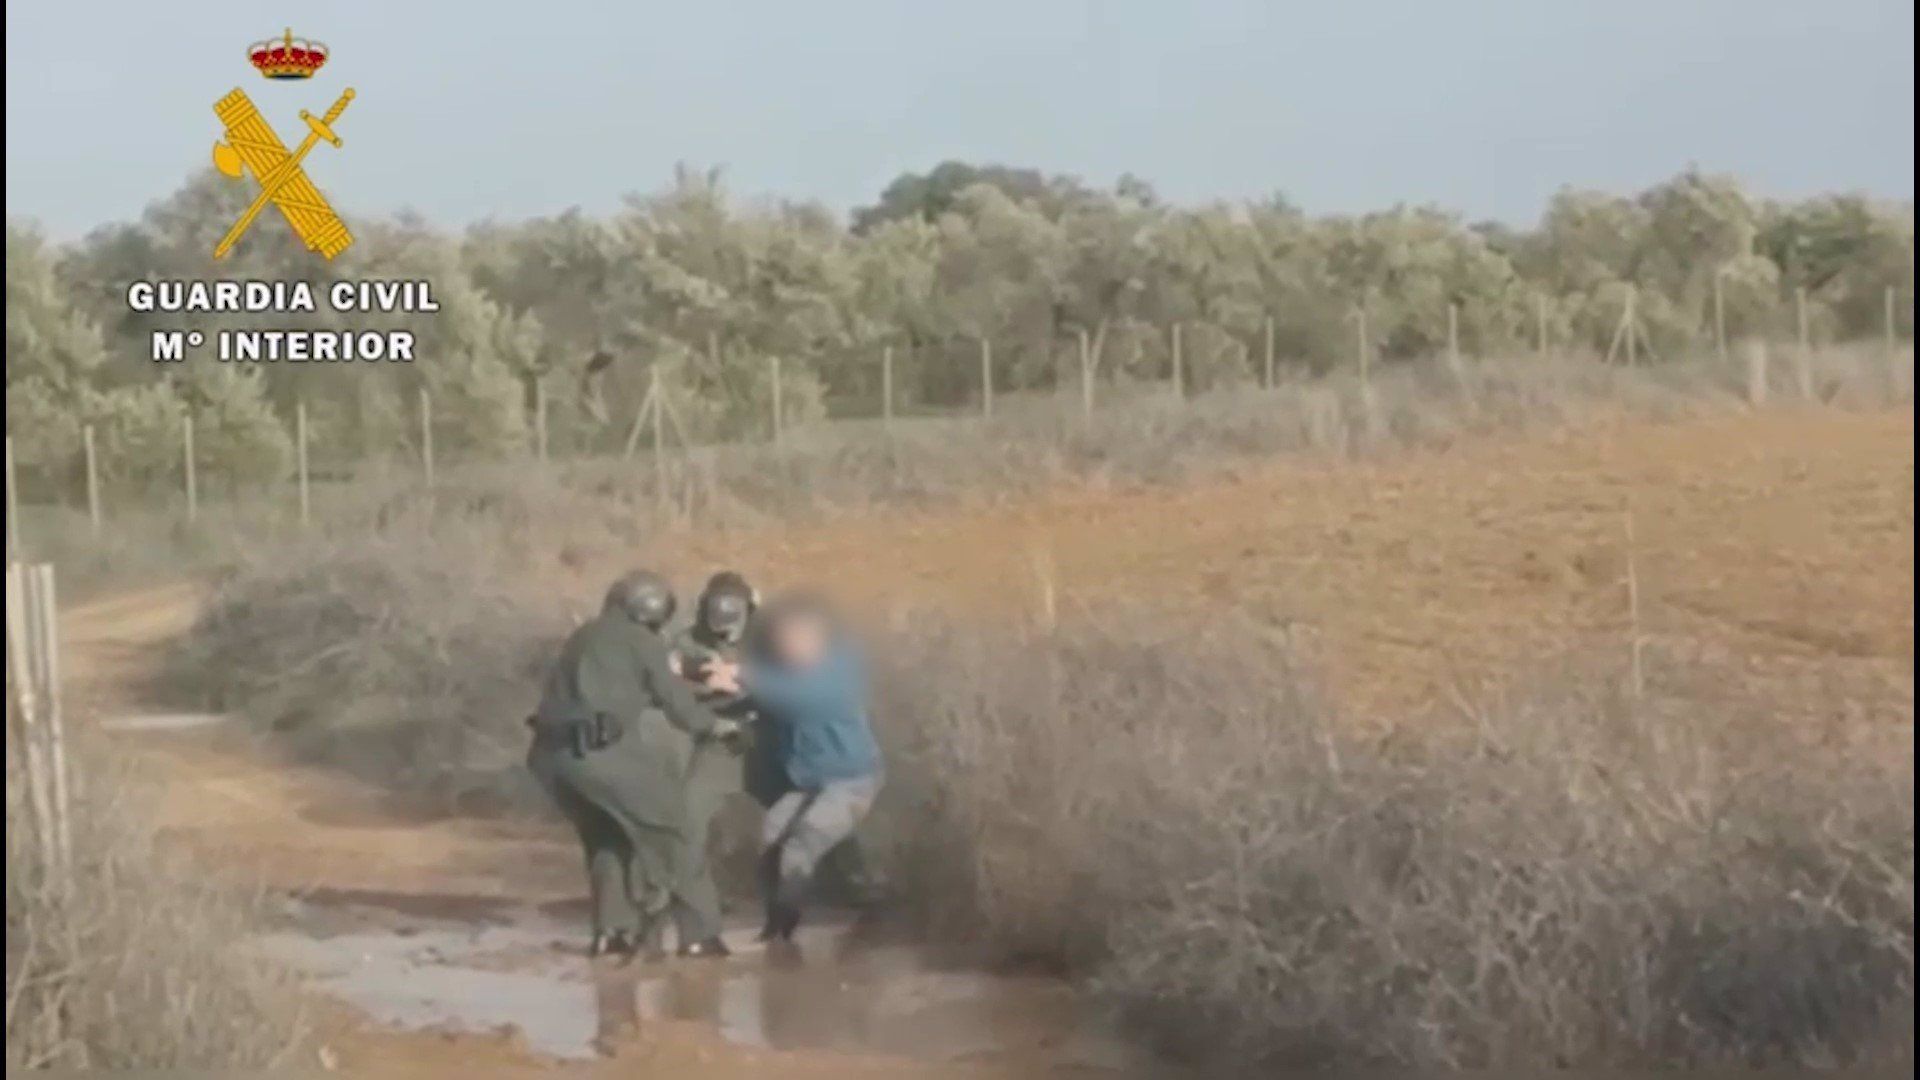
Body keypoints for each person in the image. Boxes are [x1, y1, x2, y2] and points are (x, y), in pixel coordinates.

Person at [526, 570, 737, 961]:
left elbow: (617, 687)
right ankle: (699, 937)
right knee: (676, 833)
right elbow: (679, 705)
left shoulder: (584, 636)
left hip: (553, 760)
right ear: (656, 613)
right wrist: (719, 726)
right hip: (600, 755)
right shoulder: (642, 642)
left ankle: (612, 933)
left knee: (609, 836)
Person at [702, 594, 882, 951]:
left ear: (817, 639)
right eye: (783, 644)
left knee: (801, 845)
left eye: (794, 642)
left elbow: (799, 695)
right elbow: (768, 696)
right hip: (809, 782)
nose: (786, 650)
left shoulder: (837, 673)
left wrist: (741, 674)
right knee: (771, 837)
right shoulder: (788, 673)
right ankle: (775, 925)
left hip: (851, 782)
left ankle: (789, 926)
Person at [665, 570, 761, 959]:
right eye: (717, 618)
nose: (725, 633)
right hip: (716, 742)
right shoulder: (686, 641)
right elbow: (664, 678)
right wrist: (702, 681)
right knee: (687, 828)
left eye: (734, 618)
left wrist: (743, 677)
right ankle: (699, 932)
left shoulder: (771, 638)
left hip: (772, 740)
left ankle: (860, 896)